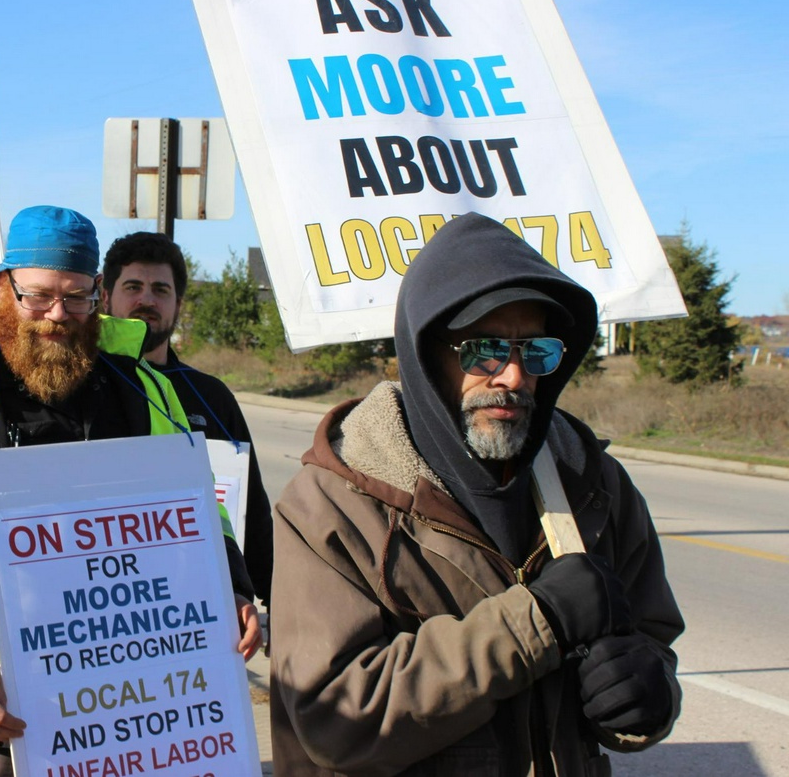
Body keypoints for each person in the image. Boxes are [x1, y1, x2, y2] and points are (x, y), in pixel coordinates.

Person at [270, 212, 684, 775]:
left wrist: (645, 693)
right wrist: (537, 621)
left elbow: (653, 638)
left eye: (535, 353)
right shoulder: (332, 503)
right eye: (484, 350)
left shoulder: (592, 485)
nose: (512, 376)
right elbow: (336, 715)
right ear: (426, 355)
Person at [0, 205, 262, 776]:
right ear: (1, 287)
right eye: (38, 296)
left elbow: (196, 512)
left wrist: (230, 589)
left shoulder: (145, 390)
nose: (57, 316)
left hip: (137, 716)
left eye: (76, 298)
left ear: (97, 291)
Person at [101, 230, 274, 606]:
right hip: (106, 602)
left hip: (195, 604)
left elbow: (253, 515)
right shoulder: (79, 389)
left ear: (178, 303)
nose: (146, 299)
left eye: (161, 290)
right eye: (133, 286)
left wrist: (279, 600)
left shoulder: (211, 397)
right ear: (104, 297)